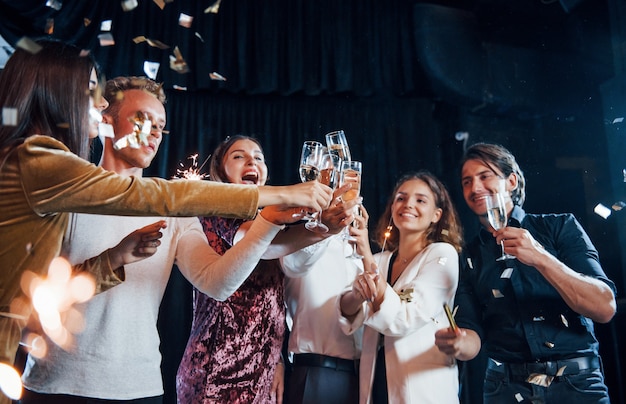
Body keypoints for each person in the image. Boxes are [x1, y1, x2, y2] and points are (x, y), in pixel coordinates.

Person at [0, 39, 331, 402]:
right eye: (143, 120)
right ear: (107, 121)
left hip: (141, 388)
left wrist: (288, 223)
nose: (155, 133)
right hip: (55, 385)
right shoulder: (63, 187)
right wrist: (285, 193)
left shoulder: (170, 215)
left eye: (161, 125)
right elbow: (33, 303)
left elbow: (217, 283)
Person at [175, 135, 356, 403]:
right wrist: (321, 229)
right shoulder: (215, 209)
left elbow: (274, 298)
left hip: (263, 372)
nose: (251, 161)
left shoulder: (271, 217)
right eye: (238, 156)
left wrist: (278, 360)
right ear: (220, 170)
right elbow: (266, 246)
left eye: (258, 157)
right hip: (216, 372)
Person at [434, 142, 617, 403]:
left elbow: (604, 307)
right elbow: (471, 333)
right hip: (505, 389)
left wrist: (541, 257)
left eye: (485, 176)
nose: (474, 188)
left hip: (576, 385)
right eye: (466, 181)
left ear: (511, 181)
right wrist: (459, 343)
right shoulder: (467, 256)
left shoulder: (560, 227)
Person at [339, 171, 464, 404]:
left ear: (437, 215)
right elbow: (347, 313)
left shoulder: (441, 255)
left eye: (420, 200)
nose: (408, 205)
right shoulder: (379, 260)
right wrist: (356, 296)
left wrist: (364, 250)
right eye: (401, 198)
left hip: (423, 388)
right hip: (377, 383)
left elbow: (404, 318)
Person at [280, 229, 363, 403]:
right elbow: (292, 265)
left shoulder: (359, 246)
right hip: (316, 372)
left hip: (361, 378)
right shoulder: (302, 237)